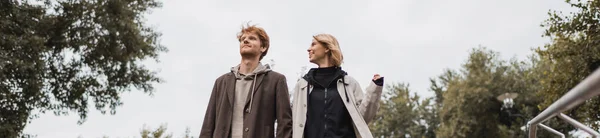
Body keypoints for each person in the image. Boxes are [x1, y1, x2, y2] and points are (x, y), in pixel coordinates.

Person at [200, 24, 293, 138]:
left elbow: (285, 124)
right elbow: (208, 125)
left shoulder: (276, 80)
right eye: (243, 39)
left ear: (263, 48)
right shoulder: (221, 82)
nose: (246, 41)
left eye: (252, 38)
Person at [291, 34, 384, 138]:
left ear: (327, 48)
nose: (309, 49)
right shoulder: (302, 86)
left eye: (313, 44)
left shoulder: (349, 83)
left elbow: (362, 119)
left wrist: (375, 90)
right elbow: (295, 122)